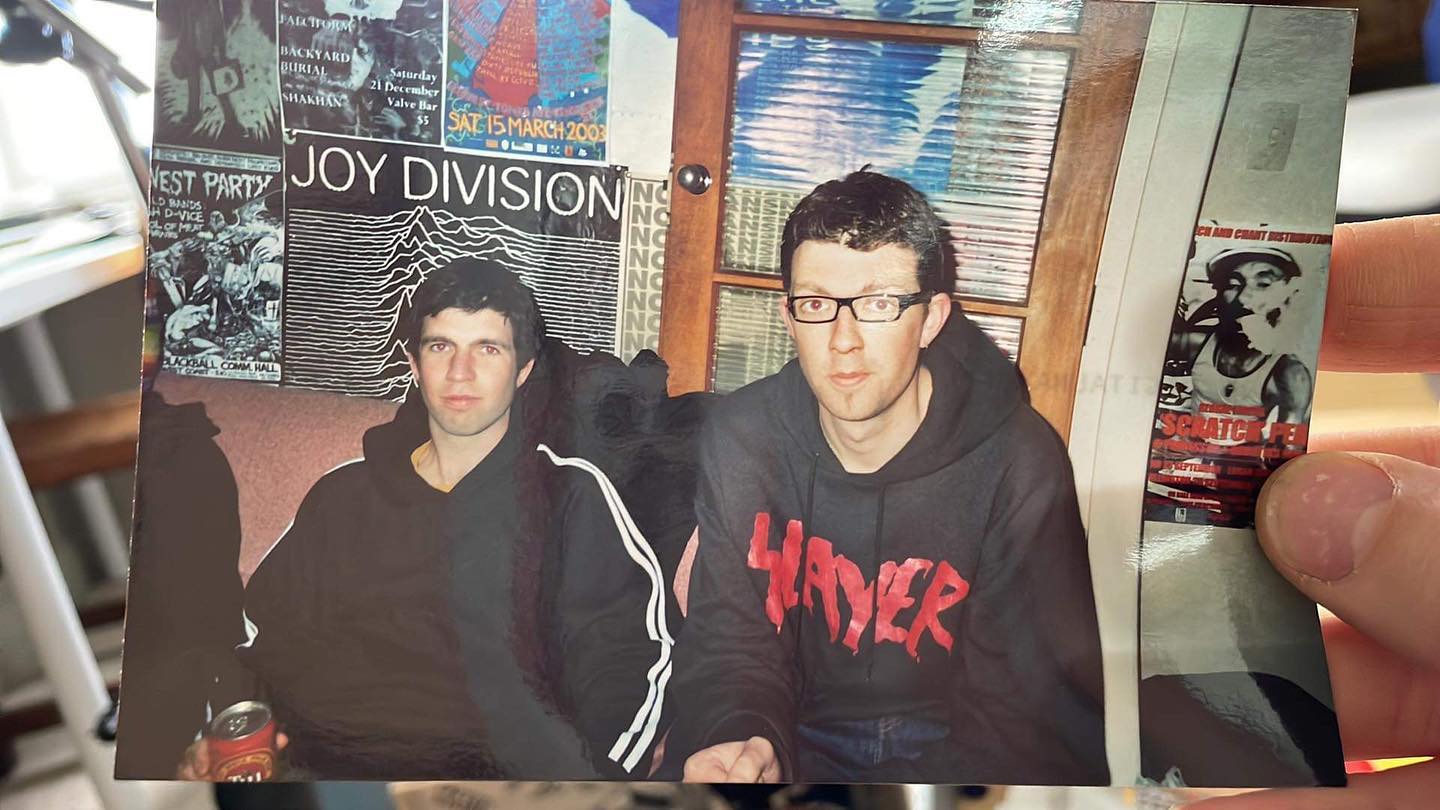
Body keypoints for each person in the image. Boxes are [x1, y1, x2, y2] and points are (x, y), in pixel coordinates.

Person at [667, 170, 1108, 784]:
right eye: (817, 304)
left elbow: (1025, 714)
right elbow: (729, 644)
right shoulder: (743, 438)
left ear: (930, 320)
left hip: (953, 740)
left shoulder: (1018, 461)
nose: (843, 341)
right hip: (790, 723)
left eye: (879, 304)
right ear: (789, 318)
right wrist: (742, 735)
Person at [182, 257, 672, 779]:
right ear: (414, 364)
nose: (460, 372)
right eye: (441, 347)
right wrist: (220, 742)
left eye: (488, 348)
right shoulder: (343, 495)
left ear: (523, 371)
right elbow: (259, 641)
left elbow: (628, 663)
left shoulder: (571, 497)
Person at [1180, 216, 1440, 808]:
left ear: (1285, 293)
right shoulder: (1195, 346)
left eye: (1262, 281)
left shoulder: (1286, 369)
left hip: (1245, 522)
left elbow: (1282, 458)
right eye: (1233, 283)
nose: (1244, 294)